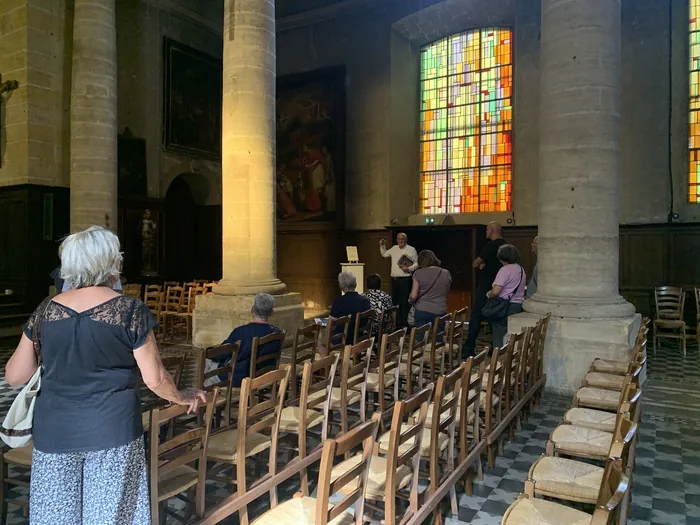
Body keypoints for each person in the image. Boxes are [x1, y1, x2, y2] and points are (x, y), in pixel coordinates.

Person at [5, 226, 205, 525]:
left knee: (55, 517)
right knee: (110, 516)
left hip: (55, 431)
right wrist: (182, 396)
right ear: (112, 262)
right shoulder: (129, 310)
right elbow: (154, 378)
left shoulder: (46, 310)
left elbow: (15, 376)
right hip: (112, 429)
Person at [212, 293, 283, 386]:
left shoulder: (241, 332)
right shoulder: (276, 333)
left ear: (252, 309)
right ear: (271, 312)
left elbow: (222, 353)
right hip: (265, 374)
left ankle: (203, 398)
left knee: (207, 366)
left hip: (241, 376)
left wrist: (210, 352)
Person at [463, 221, 506, 357]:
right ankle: (496, 347)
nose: (486, 231)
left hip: (486, 285)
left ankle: (469, 348)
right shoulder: (506, 245)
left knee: (476, 315)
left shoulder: (491, 245)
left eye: (487, 228)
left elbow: (476, 263)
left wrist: (481, 265)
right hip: (500, 286)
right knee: (495, 317)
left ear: (493, 230)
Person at [487, 244, 526, 349]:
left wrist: (489, 294)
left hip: (504, 306)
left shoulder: (505, 270)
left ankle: (499, 360)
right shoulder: (520, 269)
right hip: (517, 305)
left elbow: (496, 291)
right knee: (512, 335)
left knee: (500, 335)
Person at [380, 233, 418, 327]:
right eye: (398, 239)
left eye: (402, 239)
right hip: (395, 280)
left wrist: (408, 269)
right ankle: (397, 324)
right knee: (396, 302)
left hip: (405, 279)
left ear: (406, 240)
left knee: (404, 302)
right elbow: (384, 254)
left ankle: (405, 324)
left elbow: (417, 264)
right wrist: (382, 245)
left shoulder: (411, 249)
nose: (400, 241)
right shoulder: (394, 248)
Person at [409, 250, 452, 329]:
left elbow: (413, 295)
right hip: (440, 310)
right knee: (439, 338)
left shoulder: (418, 273)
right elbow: (446, 292)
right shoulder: (446, 273)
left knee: (421, 338)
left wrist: (410, 300)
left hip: (422, 310)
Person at [330, 271, 371, 344]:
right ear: (355, 284)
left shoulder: (338, 301)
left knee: (321, 335)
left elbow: (332, 323)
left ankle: (326, 355)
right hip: (360, 336)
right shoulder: (366, 301)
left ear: (341, 286)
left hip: (343, 338)